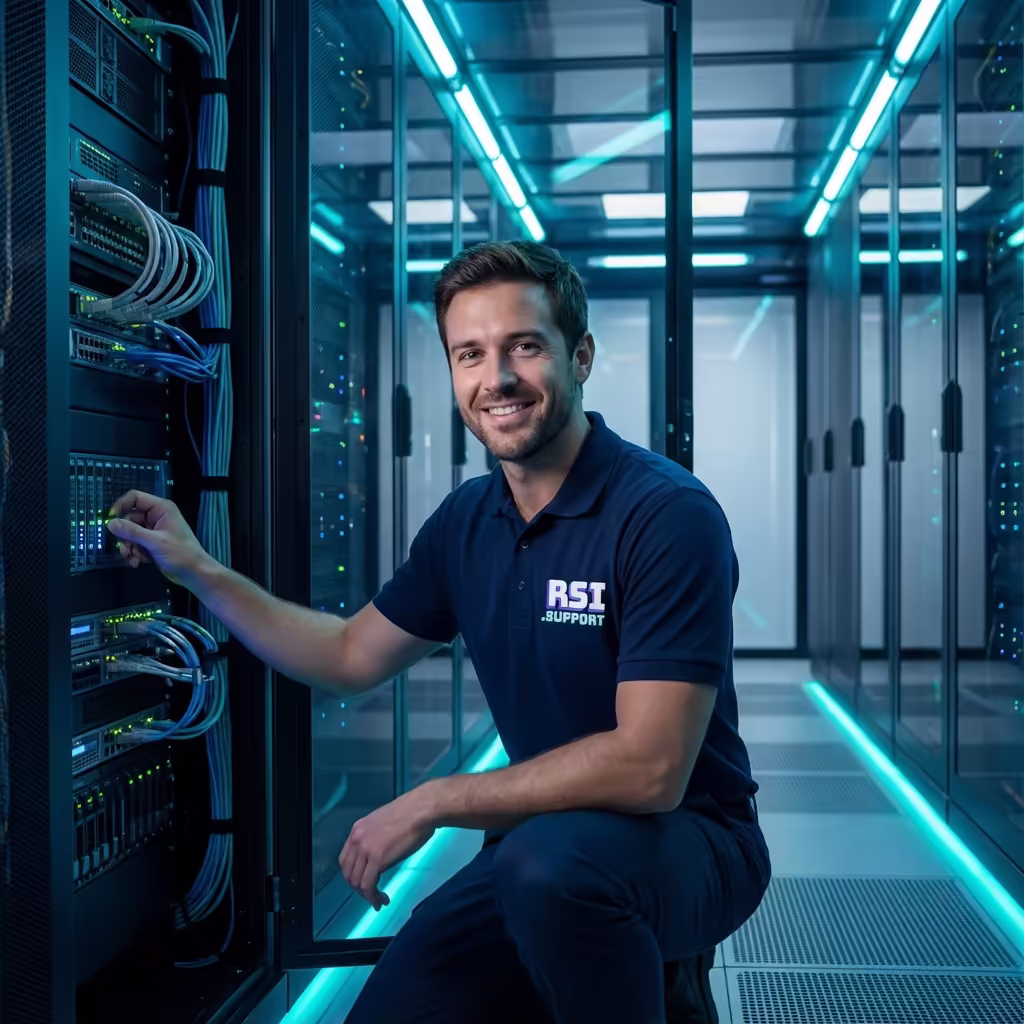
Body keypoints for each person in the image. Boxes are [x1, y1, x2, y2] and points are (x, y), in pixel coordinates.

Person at [106, 241, 771, 1023]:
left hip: (689, 839)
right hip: (539, 847)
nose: (499, 378)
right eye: (470, 354)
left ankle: (666, 980)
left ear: (580, 355)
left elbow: (652, 768)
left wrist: (435, 800)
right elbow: (349, 655)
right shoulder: (468, 521)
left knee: (551, 873)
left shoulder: (664, 515)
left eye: (525, 346)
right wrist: (197, 570)